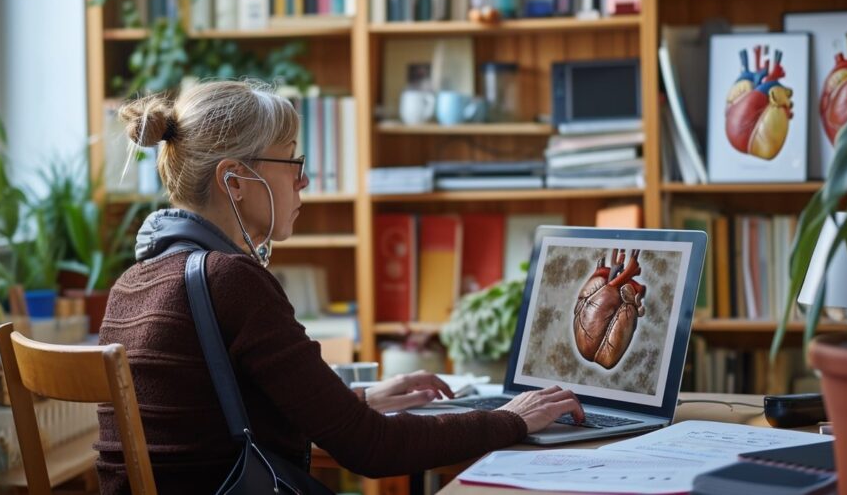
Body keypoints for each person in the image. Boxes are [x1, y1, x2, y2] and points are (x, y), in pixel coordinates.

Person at [96, 80, 585, 493]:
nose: (304, 181)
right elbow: (371, 449)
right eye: (291, 162)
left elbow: (210, 422)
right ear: (235, 181)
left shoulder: (131, 286)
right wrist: (512, 417)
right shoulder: (230, 281)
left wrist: (354, 401)